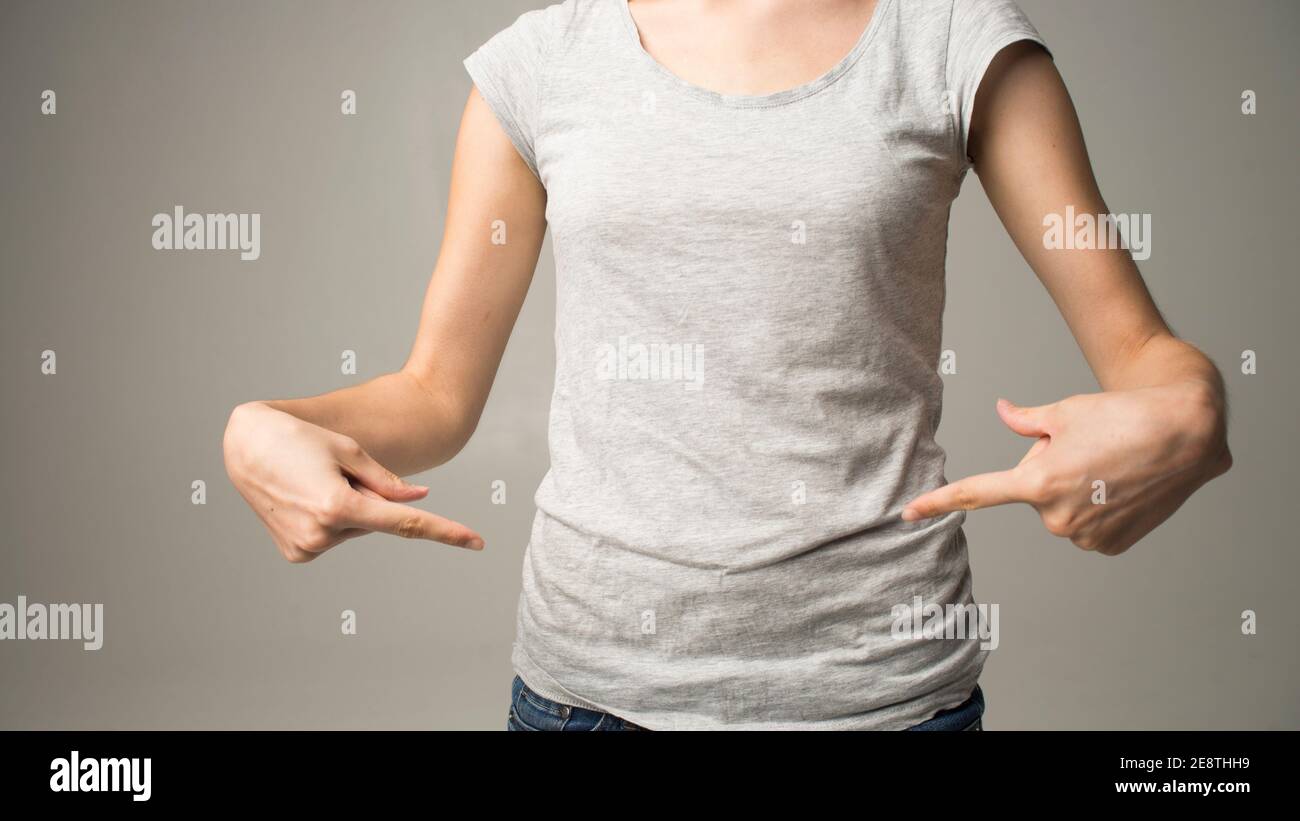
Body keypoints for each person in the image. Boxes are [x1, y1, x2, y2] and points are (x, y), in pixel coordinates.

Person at [222, 0, 1232, 731]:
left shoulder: (956, 42)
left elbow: (1142, 354)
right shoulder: (539, 63)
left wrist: (1188, 407)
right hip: (591, 695)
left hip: (882, 691)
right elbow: (433, 392)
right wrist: (269, 419)